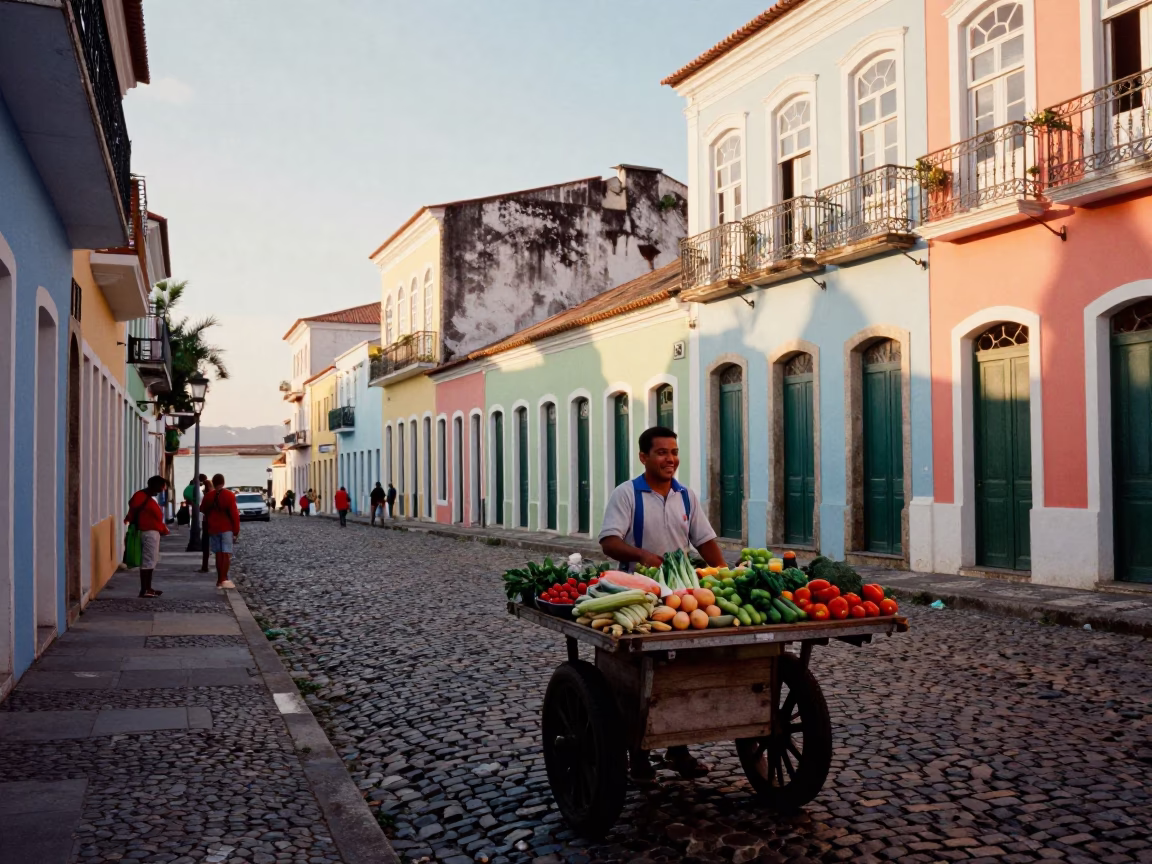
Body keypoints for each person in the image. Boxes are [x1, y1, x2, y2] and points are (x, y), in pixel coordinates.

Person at [598, 425, 727, 784]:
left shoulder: (686, 496)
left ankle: (678, 748)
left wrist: (727, 575)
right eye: (661, 452)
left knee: (682, 672)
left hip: (683, 598)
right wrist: (642, 555)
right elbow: (609, 541)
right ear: (644, 457)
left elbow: (705, 540)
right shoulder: (627, 495)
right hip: (640, 597)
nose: (670, 459)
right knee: (641, 677)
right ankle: (637, 755)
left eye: (674, 451)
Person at [125, 475, 170, 598]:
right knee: (148, 561)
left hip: (150, 532)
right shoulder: (143, 497)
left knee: (150, 560)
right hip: (148, 533)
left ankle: (148, 588)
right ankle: (145, 589)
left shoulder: (144, 496)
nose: (163, 489)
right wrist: (163, 529)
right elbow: (150, 517)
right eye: (162, 486)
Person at [200, 473, 240, 589]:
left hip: (213, 527)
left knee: (218, 554)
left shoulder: (208, 496)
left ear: (214, 482)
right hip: (226, 528)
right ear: (223, 482)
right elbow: (234, 514)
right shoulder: (229, 495)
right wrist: (236, 530)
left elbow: (202, 509)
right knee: (226, 553)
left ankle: (219, 580)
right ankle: (223, 579)